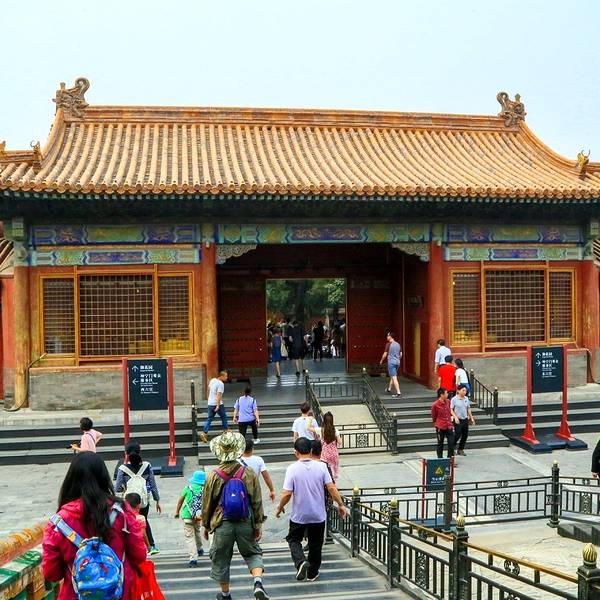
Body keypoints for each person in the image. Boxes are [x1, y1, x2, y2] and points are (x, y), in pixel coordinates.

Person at [42, 452, 147, 600]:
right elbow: (140, 555)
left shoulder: (58, 523)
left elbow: (51, 573)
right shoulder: (121, 511)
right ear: (103, 477)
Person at [201, 431, 268, 600]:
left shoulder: (213, 475)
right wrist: (258, 524)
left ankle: (226, 594)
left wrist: (206, 525)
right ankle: (258, 583)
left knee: (221, 558)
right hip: (245, 521)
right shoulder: (248, 472)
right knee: (252, 552)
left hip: (222, 523)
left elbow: (207, 504)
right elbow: (257, 501)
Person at [275, 437, 347, 583]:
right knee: (316, 544)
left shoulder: (292, 469)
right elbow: (331, 488)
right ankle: (312, 573)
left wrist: (280, 507)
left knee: (293, 540)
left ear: (296, 452)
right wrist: (340, 504)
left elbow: (287, 494)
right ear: (311, 450)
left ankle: (301, 561)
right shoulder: (321, 467)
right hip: (318, 514)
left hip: (299, 515)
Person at [115, 448, 162, 555]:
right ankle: (151, 545)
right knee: (144, 520)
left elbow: (117, 488)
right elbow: (153, 485)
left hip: (129, 500)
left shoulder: (122, 469)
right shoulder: (147, 466)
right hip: (143, 500)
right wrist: (157, 500)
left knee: (129, 521)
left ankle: (132, 545)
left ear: (127, 455)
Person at [174, 470, 206, 567]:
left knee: (189, 537)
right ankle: (199, 548)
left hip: (187, 516)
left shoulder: (187, 488)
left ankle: (193, 559)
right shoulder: (204, 490)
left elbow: (180, 501)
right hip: (198, 516)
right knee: (197, 531)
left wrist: (177, 512)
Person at [240, 438, 276, 502]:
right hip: (254, 488)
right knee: (257, 506)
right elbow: (266, 477)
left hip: (240, 488)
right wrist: (271, 490)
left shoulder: (237, 461)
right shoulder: (259, 459)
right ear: (252, 448)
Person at [200, 370, 229, 443]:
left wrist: (208, 398)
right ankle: (225, 431)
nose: (227, 377)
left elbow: (208, 389)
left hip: (210, 403)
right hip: (217, 404)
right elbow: (219, 395)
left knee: (209, 418)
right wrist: (218, 406)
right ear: (221, 376)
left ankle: (204, 433)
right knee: (224, 417)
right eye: (226, 376)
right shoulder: (221, 384)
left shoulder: (212, 380)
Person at [431, 387, 455, 459]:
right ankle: (440, 458)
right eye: (446, 393)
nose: (447, 394)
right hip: (440, 426)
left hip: (449, 425)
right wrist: (436, 424)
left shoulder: (448, 401)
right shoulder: (435, 405)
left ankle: (450, 458)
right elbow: (434, 416)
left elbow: (450, 411)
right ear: (441, 395)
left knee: (451, 443)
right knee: (440, 443)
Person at [451, 384, 475, 456]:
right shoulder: (454, 399)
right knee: (457, 434)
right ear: (458, 391)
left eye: (465, 391)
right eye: (463, 390)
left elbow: (468, 408)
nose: (465, 392)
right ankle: (451, 448)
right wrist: (455, 417)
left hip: (465, 419)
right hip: (458, 420)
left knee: (465, 435)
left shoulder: (466, 398)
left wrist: (471, 418)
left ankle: (460, 449)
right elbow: (451, 409)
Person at [319, 411, 342, 481]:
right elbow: (339, 442)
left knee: (325, 469)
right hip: (333, 453)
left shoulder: (322, 430)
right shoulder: (335, 430)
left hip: (325, 453)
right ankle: (333, 482)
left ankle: (326, 482)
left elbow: (321, 441)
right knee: (333, 470)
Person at [379, 331, 402, 397]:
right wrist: (397, 359)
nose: (387, 337)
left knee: (394, 377)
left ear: (390, 337)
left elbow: (385, 354)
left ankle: (398, 392)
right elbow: (401, 354)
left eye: (387, 336)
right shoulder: (398, 344)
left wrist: (381, 360)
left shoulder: (388, 344)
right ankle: (389, 389)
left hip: (391, 363)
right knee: (393, 376)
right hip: (397, 362)